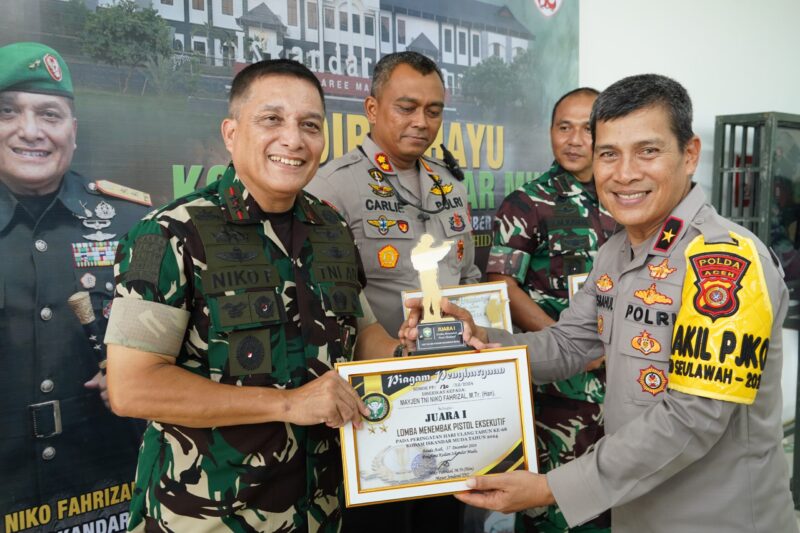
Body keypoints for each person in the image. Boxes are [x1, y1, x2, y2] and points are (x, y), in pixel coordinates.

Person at [400, 74, 797, 532]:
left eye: (647, 151)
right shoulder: (617, 251)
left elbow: (693, 417)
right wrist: (480, 338)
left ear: (689, 154)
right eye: (608, 154)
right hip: (636, 511)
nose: (624, 173)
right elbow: (570, 343)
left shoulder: (727, 262)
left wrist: (553, 487)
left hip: (715, 519)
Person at [105, 59, 402, 532]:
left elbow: (363, 332)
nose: (293, 139)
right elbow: (131, 387)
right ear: (230, 132)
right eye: (272, 119)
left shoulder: (331, 228)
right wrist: (288, 404)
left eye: (310, 125)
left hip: (322, 510)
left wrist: (416, 352)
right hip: (207, 517)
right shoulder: (163, 235)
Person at [306, 51, 481, 533]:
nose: (422, 122)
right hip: (377, 404)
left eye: (434, 110)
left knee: (444, 519)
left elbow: (466, 279)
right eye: (406, 107)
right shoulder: (332, 186)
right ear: (371, 108)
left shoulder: (450, 185)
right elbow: (329, 299)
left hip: (450, 394)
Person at [0, 42, 149, 519]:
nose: (30, 131)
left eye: (49, 114)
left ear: (74, 131)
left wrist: (141, 370)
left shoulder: (135, 224)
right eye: (8, 112)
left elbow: (174, 345)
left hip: (108, 493)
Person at [485, 88, 615, 532]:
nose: (575, 139)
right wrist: (571, 344)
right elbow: (502, 283)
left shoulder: (628, 198)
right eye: (564, 127)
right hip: (557, 396)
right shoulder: (528, 203)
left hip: (626, 389)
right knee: (552, 509)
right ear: (550, 133)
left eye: (588, 128)